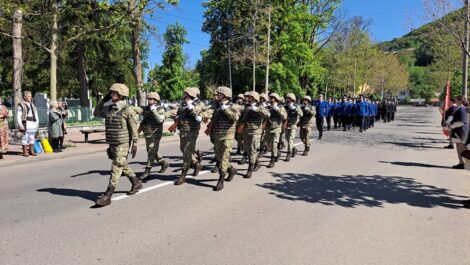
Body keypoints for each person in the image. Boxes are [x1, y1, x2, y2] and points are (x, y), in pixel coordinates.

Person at [93, 83, 141, 206]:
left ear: (121, 95)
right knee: (121, 164)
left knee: (116, 166)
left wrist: (135, 143)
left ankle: (108, 194)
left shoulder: (127, 109)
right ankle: (136, 182)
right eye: (111, 93)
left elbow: (133, 128)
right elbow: (96, 113)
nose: (112, 95)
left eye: (115, 93)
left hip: (123, 143)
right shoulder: (109, 108)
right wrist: (103, 101)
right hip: (112, 142)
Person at [209, 86, 242, 191]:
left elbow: (236, 117)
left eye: (219, 94)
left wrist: (226, 109)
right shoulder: (216, 106)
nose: (217, 95)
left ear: (225, 95)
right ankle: (231, 169)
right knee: (219, 157)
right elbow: (209, 113)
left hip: (228, 136)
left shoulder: (234, 106)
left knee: (223, 157)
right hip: (217, 135)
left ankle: (221, 180)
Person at [173, 87, 204, 185]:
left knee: (186, 152)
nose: (183, 95)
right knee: (183, 148)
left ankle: (183, 175)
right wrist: (176, 120)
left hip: (192, 130)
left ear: (190, 94)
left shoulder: (199, 104)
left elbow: (199, 116)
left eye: (185, 93)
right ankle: (196, 164)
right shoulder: (182, 104)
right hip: (183, 129)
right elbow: (179, 113)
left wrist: (190, 105)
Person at [139, 92, 170, 182]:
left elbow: (160, 120)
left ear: (156, 101)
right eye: (148, 99)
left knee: (151, 151)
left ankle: (147, 171)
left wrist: (153, 110)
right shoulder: (146, 109)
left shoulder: (160, 109)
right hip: (147, 133)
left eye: (152, 99)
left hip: (156, 134)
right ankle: (163, 163)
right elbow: (143, 121)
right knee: (151, 150)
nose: (149, 101)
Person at [239, 91, 270, 178]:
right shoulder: (246, 106)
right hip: (246, 130)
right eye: (248, 97)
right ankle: (257, 163)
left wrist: (258, 109)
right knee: (248, 150)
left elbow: (268, 114)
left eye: (250, 97)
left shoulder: (260, 106)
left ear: (255, 98)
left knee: (252, 149)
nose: (248, 98)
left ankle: (250, 169)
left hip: (255, 131)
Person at [266, 93, 287, 168]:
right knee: (269, 145)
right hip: (268, 128)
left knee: (274, 144)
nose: (272, 99)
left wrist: (277, 109)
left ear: (277, 100)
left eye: (273, 98)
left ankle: (272, 160)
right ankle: (277, 153)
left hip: (276, 128)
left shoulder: (280, 107)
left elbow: (284, 117)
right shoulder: (268, 107)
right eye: (271, 98)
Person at [448, 96, 468, 169]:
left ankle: (462, 163)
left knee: (461, 148)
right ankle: (461, 162)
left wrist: (452, 126)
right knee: (459, 147)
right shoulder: (459, 108)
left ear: (460, 101)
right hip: (458, 131)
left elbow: (461, 122)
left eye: (456, 99)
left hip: (460, 131)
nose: (454, 100)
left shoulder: (462, 109)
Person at [17, 91, 39, 157]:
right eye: (29, 96)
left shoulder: (32, 104)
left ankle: (31, 151)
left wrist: (37, 123)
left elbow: (36, 114)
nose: (30, 97)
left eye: (30, 96)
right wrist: (20, 125)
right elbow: (18, 116)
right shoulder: (21, 105)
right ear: (24, 97)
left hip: (33, 123)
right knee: (25, 137)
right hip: (25, 123)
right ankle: (25, 151)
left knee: (32, 137)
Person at [284, 93, 303, 161]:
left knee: (290, 140)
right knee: (287, 139)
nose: (287, 100)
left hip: (293, 125)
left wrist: (295, 109)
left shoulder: (296, 106)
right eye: (286, 98)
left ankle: (288, 153)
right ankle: (294, 149)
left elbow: (301, 114)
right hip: (286, 125)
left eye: (288, 98)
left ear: (292, 99)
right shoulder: (285, 106)